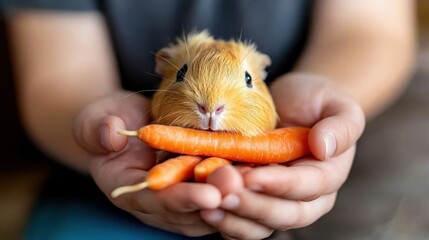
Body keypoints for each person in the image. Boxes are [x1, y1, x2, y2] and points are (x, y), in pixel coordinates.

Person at [3, 0, 416, 239]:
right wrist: (97, 129)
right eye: (182, 76)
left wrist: (316, 111)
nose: (212, 104)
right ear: (164, 68)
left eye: (247, 81)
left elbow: (370, 32)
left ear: (261, 73)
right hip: (99, 179)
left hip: (346, 167)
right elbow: (56, 80)